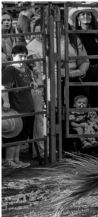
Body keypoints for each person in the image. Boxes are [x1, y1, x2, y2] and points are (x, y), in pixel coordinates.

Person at [2, 45, 35, 169]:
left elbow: (29, 80)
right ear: (13, 56)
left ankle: (16, 159)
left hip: (27, 106)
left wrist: (33, 82)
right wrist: (6, 102)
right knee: (14, 135)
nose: (23, 58)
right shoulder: (10, 70)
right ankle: (9, 160)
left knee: (21, 135)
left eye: (25, 56)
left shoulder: (25, 68)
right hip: (17, 107)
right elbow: (3, 87)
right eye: (20, 56)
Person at [26, 18, 46, 164]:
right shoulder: (31, 46)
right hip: (38, 85)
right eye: (38, 29)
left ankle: (45, 147)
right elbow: (33, 67)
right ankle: (40, 149)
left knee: (45, 117)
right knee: (39, 117)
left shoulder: (49, 44)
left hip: (49, 83)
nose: (41, 33)